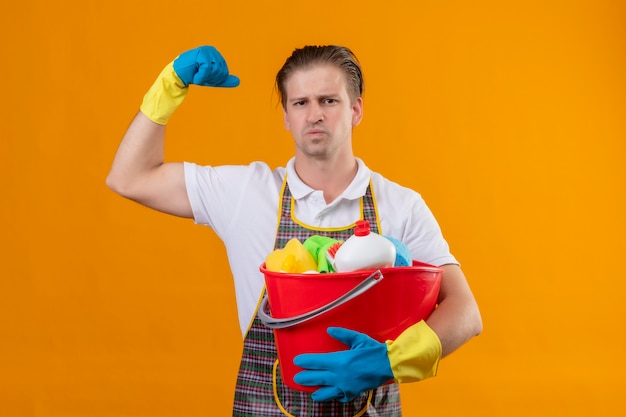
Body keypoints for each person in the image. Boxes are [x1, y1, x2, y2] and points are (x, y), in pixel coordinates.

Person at [107, 44, 482, 416]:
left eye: (329, 101)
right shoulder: (246, 193)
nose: (314, 114)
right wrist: (169, 86)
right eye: (300, 103)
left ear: (356, 109)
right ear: (286, 115)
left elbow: (465, 312)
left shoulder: (401, 205)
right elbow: (131, 177)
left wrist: (391, 361)